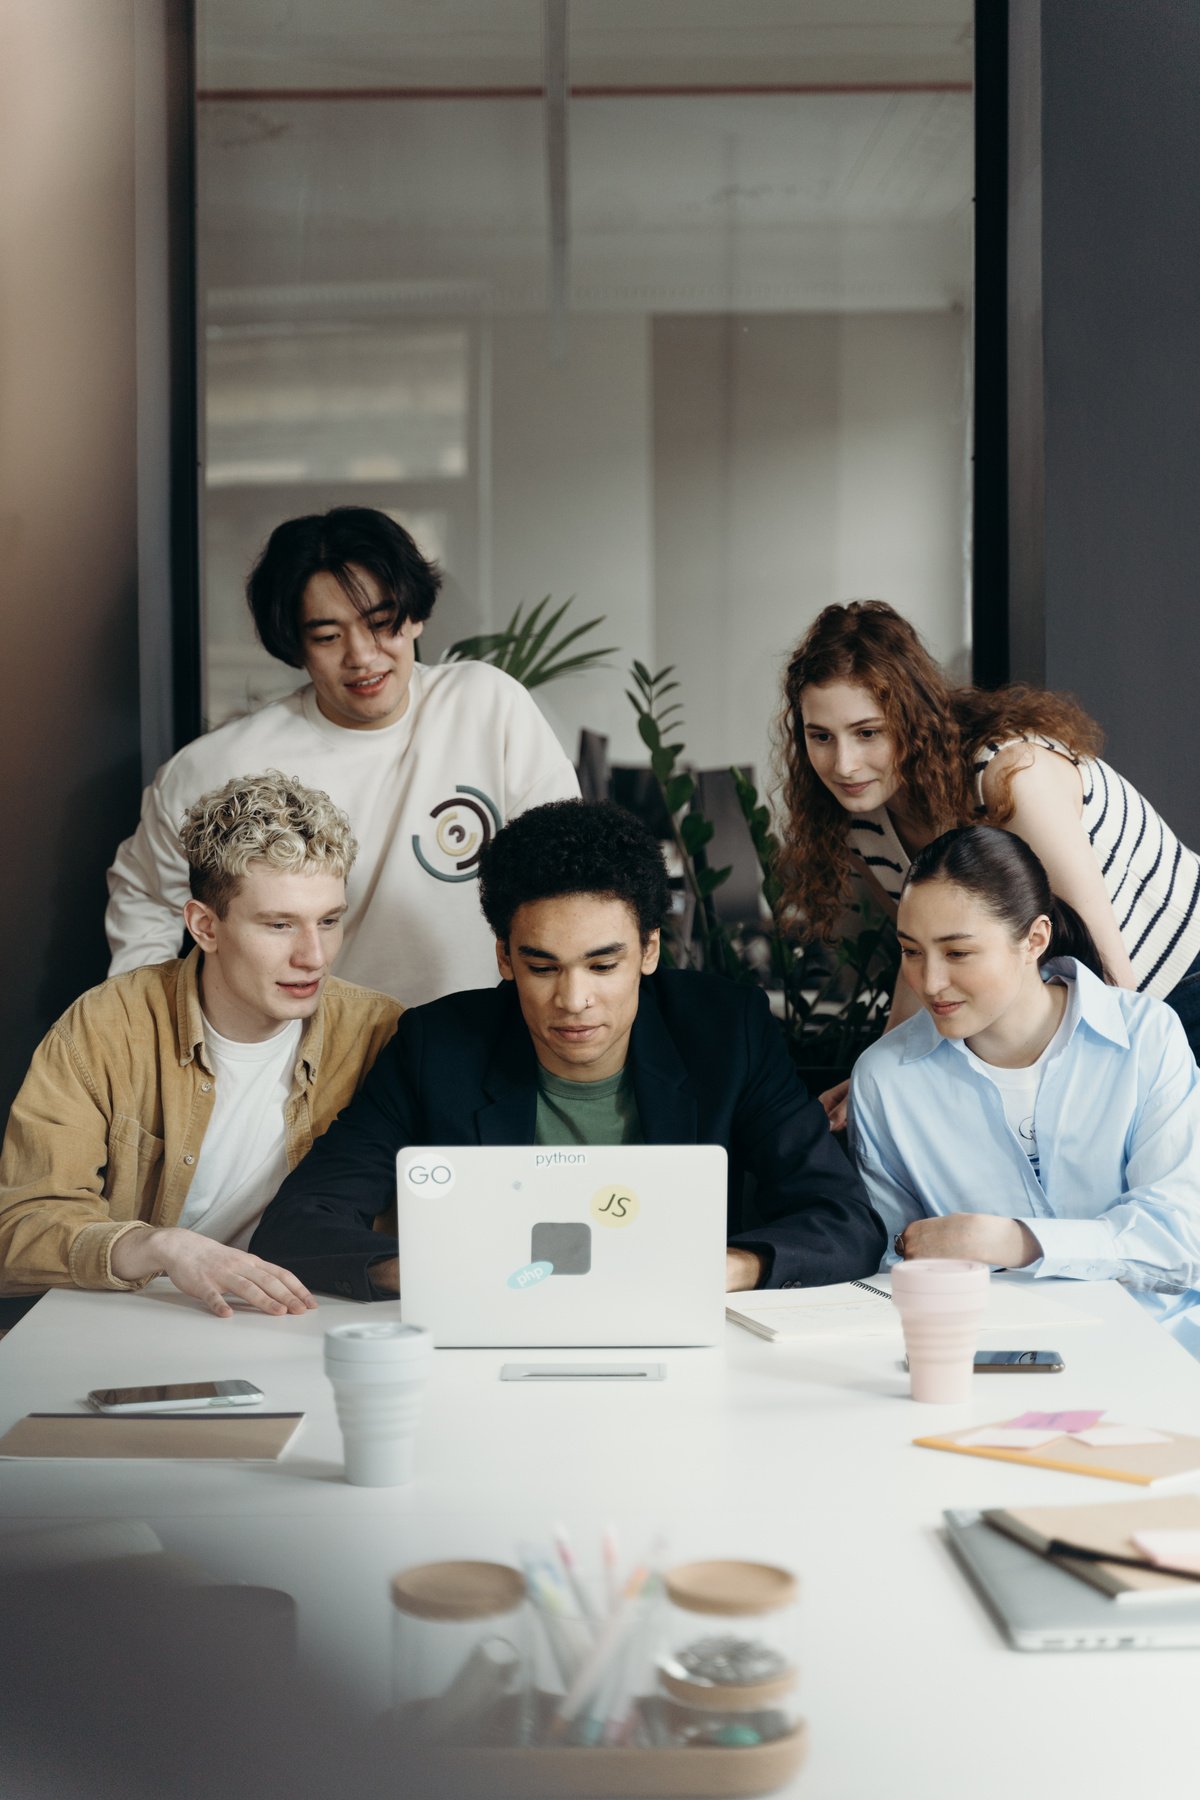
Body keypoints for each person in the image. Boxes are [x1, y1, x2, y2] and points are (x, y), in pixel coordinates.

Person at [249, 799, 886, 1299]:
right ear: (505, 958)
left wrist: (725, 1268)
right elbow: (300, 1224)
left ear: (649, 951)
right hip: (493, 1333)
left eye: (603, 965)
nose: (573, 999)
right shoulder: (437, 1045)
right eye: (543, 967)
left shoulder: (725, 1032)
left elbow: (841, 1219)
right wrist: (430, 1274)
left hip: (676, 1332)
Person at [106, 506, 580, 1007]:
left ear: (415, 616)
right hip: (316, 1057)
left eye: (381, 623)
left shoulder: (488, 706)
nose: (362, 655)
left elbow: (570, 875)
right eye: (328, 637)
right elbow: (144, 894)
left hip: (476, 1045)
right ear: (295, 645)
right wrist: (148, 1029)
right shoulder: (224, 764)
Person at [778, 600, 1200, 1126]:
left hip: (1176, 984)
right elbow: (929, 948)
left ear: (911, 720)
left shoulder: (1008, 777)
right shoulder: (861, 819)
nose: (843, 764)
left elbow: (1114, 982)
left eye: (868, 733)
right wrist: (878, 1077)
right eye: (821, 737)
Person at [0, 772, 401, 1316]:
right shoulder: (106, 1027)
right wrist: (161, 1245)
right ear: (204, 926)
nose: (314, 956)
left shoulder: (382, 1032)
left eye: (328, 921)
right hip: (148, 1313)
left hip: (318, 1316)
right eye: (280, 925)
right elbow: (18, 1232)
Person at [848, 825, 1200, 1356]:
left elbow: (1179, 1241)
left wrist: (1013, 1241)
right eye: (911, 952)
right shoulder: (884, 1078)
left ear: (1034, 939)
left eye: (958, 953)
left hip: (1158, 1350)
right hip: (984, 1362)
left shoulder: (1147, 1037)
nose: (931, 981)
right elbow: (896, 1266)